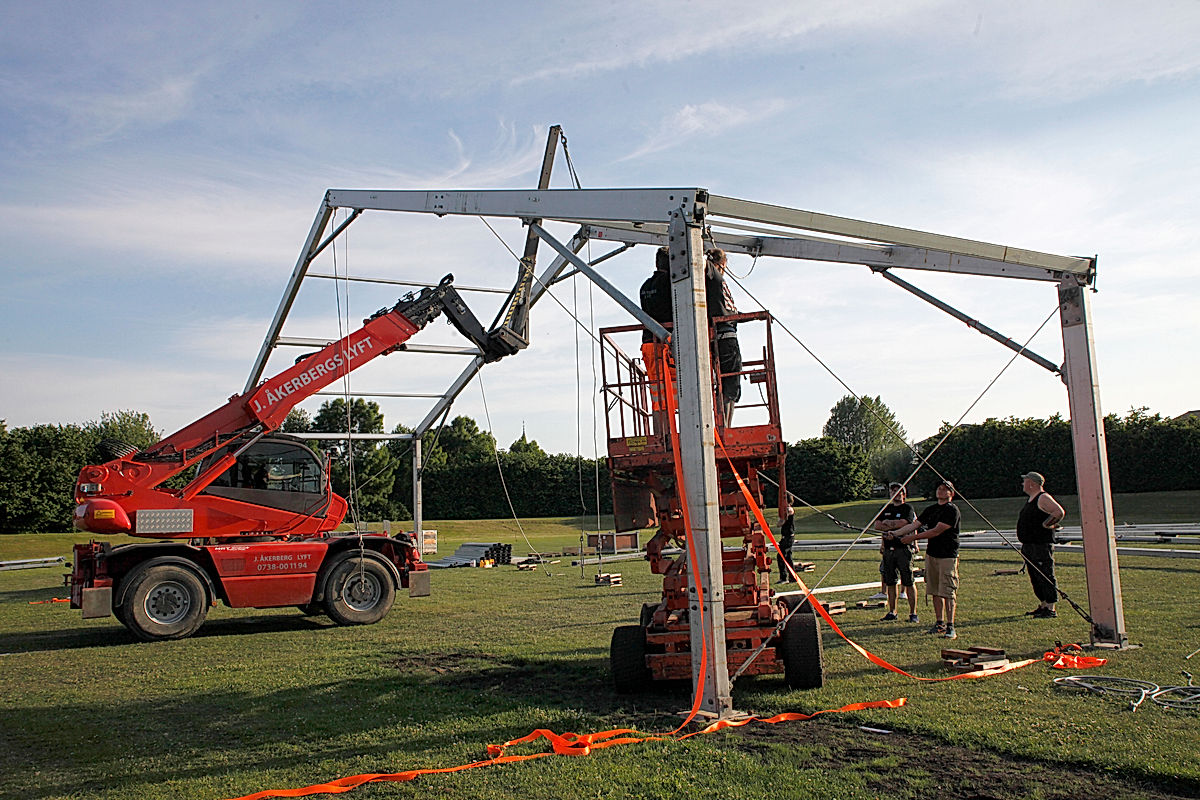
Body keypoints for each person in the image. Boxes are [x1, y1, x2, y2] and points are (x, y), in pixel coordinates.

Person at [896, 480, 962, 639]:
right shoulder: (931, 509)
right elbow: (913, 525)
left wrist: (913, 538)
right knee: (934, 590)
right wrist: (896, 533)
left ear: (951, 493)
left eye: (945, 489)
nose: (940, 491)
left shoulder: (952, 510)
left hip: (947, 555)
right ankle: (939, 623)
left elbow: (936, 531)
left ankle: (950, 625)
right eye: (939, 488)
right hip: (932, 554)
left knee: (947, 591)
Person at [1016, 471, 1066, 618]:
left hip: (1040, 544)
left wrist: (1046, 524)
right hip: (1030, 544)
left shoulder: (1043, 497)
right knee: (1035, 576)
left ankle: (1051, 608)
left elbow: (1059, 512)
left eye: (1025, 481)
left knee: (1045, 574)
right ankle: (1043, 604)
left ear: (1032, 483)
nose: (1022, 484)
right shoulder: (1032, 499)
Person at [704, 248, 742, 427]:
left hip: (719, 334)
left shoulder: (712, 282)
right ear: (722, 264)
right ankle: (725, 426)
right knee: (730, 383)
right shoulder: (714, 277)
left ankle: (723, 425)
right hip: (725, 337)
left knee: (722, 383)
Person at [874, 482, 919, 623]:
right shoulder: (886, 508)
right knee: (890, 581)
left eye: (898, 491)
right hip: (888, 550)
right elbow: (877, 525)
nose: (895, 494)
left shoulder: (908, 508)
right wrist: (892, 524)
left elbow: (905, 523)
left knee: (908, 581)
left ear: (903, 494)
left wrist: (889, 524)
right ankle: (892, 611)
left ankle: (913, 613)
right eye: (892, 491)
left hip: (903, 549)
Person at [777, 506, 796, 583]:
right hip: (786, 537)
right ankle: (793, 577)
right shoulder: (786, 510)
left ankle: (784, 578)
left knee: (780, 556)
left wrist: (781, 519)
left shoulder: (789, 510)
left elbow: (781, 522)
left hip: (788, 537)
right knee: (788, 557)